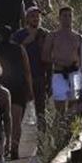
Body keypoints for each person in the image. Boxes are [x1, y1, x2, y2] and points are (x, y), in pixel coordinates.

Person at [0, 26, 32, 161]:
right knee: (16, 120)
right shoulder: (20, 49)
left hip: (2, 87)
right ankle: (14, 148)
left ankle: (2, 147)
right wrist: (29, 89)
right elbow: (27, 71)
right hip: (18, 87)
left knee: (0, 119)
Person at [11, 7, 50, 136]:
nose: (36, 19)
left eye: (38, 16)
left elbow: (50, 59)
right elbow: (11, 53)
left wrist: (49, 79)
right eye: (32, 16)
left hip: (40, 77)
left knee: (41, 111)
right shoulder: (19, 35)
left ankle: (42, 140)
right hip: (22, 79)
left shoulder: (45, 34)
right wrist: (25, 43)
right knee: (18, 112)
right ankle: (14, 142)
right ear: (27, 18)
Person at [42, 6, 82, 117]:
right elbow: (45, 56)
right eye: (64, 16)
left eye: (70, 16)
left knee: (73, 108)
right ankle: (59, 130)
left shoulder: (78, 37)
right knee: (59, 109)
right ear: (59, 18)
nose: (67, 18)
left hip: (74, 73)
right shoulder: (53, 35)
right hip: (59, 73)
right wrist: (59, 61)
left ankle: (69, 132)